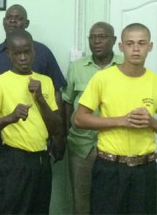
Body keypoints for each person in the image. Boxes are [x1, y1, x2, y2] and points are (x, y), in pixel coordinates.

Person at [0, 4, 66, 185]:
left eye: (19, 18)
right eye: (10, 17)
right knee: (4, 198)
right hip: (2, 145)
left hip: (39, 148)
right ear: (9, 55)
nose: (23, 58)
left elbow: (57, 96)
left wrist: (58, 136)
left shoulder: (43, 55)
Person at [74, 23, 157, 214]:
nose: (136, 49)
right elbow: (80, 119)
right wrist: (122, 120)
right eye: (130, 43)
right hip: (110, 168)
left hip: (146, 169)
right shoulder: (103, 78)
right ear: (121, 47)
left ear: (150, 47)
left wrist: (151, 122)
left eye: (141, 43)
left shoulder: (154, 81)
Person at [0, 29, 63, 214]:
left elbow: (57, 127)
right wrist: (10, 117)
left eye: (27, 52)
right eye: (17, 53)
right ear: (9, 54)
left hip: (41, 160)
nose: (23, 57)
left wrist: (40, 99)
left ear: (34, 51)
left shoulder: (45, 82)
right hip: (13, 160)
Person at [61, 22, 123, 214]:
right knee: (81, 200)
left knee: (114, 199)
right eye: (93, 37)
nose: (97, 41)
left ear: (113, 40)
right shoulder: (77, 67)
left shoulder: (125, 66)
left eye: (102, 37)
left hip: (116, 145)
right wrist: (65, 135)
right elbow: (67, 102)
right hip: (82, 146)